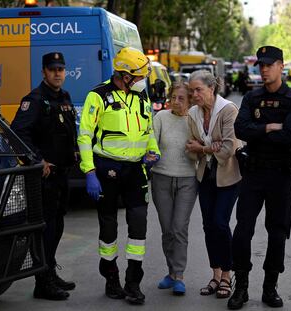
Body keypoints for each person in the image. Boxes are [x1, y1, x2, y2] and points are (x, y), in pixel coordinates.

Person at [77, 47, 160, 305]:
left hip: (136, 170)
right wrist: (89, 171)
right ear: (124, 75)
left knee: (138, 225)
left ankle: (133, 282)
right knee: (109, 226)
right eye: (138, 76)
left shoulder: (140, 96)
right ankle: (110, 277)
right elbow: (85, 136)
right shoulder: (97, 96)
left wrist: (153, 151)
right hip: (107, 169)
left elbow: (148, 130)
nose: (141, 80)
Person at [228, 46, 291, 310]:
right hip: (254, 173)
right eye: (261, 64)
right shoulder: (251, 97)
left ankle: (270, 287)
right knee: (242, 231)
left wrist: (257, 132)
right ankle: (242, 286)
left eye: (269, 64)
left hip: (281, 174)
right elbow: (240, 128)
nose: (263, 69)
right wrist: (270, 127)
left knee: (277, 233)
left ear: (281, 66)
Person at [11, 52, 77, 300]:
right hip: (45, 179)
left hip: (63, 174)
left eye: (61, 68)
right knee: (46, 229)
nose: (57, 73)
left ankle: (49, 270)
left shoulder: (65, 98)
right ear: (43, 72)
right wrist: (36, 160)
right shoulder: (35, 100)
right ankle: (42, 282)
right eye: (52, 69)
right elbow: (17, 134)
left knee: (57, 226)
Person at [185, 70, 241, 299]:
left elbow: (229, 149)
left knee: (220, 222)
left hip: (228, 176)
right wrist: (208, 147)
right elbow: (190, 147)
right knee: (209, 225)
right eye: (191, 91)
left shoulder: (228, 109)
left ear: (212, 88)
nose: (194, 95)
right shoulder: (192, 114)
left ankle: (228, 275)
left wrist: (203, 148)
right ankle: (216, 275)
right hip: (205, 175)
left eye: (198, 90)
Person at [151, 81, 198, 295]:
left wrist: (197, 149)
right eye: (173, 98)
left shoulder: (195, 120)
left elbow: (203, 147)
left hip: (187, 180)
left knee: (179, 227)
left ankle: (179, 275)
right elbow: (151, 143)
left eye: (181, 98)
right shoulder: (160, 117)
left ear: (189, 100)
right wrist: (149, 154)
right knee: (167, 229)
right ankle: (171, 273)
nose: (176, 102)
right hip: (161, 178)